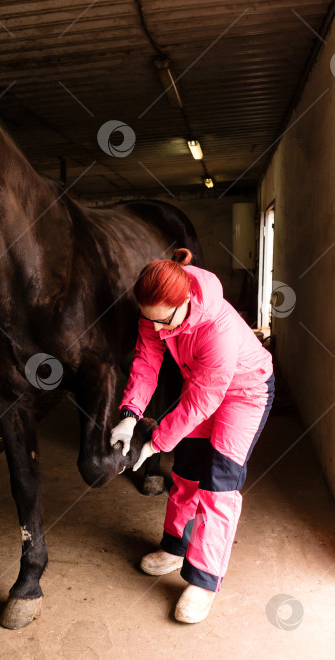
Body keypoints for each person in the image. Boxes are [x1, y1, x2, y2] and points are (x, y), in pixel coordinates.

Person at [110, 248, 274, 624]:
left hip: (245, 393)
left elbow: (203, 400)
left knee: (218, 485)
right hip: (202, 387)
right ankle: (175, 547)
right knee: (185, 472)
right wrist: (130, 414)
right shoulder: (157, 312)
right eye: (150, 321)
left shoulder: (218, 329)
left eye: (164, 322)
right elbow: (147, 361)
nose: (158, 330)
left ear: (185, 302)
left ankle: (203, 580)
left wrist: (154, 443)